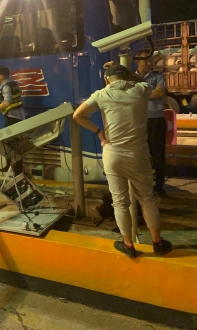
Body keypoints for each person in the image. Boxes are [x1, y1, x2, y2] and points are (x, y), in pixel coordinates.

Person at [73, 64, 172, 258]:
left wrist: (99, 132)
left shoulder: (101, 94)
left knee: (119, 202)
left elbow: (78, 115)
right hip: (138, 154)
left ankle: (128, 245)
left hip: (113, 153)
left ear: (107, 80)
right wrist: (128, 72)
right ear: (127, 77)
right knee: (147, 198)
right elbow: (142, 82)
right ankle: (157, 243)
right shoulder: (141, 89)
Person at [135, 53, 168, 196]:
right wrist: (150, 93)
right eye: (146, 61)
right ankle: (144, 185)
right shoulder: (132, 77)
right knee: (140, 154)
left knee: (157, 154)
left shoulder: (158, 75)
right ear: (137, 62)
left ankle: (159, 187)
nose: (149, 64)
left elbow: (160, 92)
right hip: (138, 121)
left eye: (150, 61)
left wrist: (138, 94)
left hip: (156, 121)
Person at [0, 65, 25, 173]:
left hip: (13, 118)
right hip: (16, 117)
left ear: (1, 76)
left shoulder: (6, 86)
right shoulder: (12, 84)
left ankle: (16, 170)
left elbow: (7, 102)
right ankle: (12, 166)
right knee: (11, 144)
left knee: (5, 142)